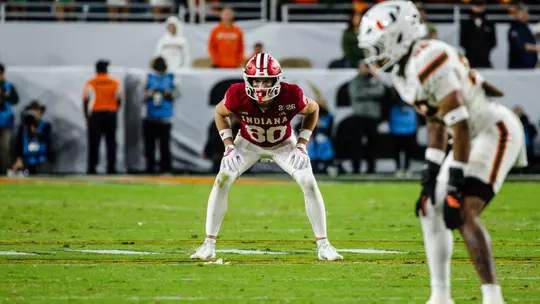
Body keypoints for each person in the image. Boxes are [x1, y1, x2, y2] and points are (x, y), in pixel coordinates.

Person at [358, 2, 528, 304]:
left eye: (380, 44)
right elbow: (437, 124)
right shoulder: (404, 73)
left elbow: (460, 125)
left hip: (492, 130)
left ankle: (493, 298)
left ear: (400, 36)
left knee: (463, 209)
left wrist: (453, 184)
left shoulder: (430, 58)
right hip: (464, 136)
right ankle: (440, 296)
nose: (375, 54)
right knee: (430, 208)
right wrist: (431, 176)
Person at [190, 53, 343, 261]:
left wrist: (302, 144)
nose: (261, 85)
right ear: (248, 80)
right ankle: (208, 244)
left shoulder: (291, 94)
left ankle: (324, 245)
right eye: (257, 80)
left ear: (277, 80)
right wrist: (228, 145)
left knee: (308, 181)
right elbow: (219, 113)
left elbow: (313, 109)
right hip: (248, 143)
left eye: (266, 80)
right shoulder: (237, 94)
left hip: (283, 144)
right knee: (222, 179)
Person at [83, 60, 123, 174]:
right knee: (111, 143)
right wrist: (114, 109)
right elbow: (119, 98)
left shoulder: (91, 82)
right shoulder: (114, 82)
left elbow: (85, 100)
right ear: (106, 70)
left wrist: (87, 116)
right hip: (110, 114)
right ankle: (111, 168)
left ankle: (92, 168)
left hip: (95, 115)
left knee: (94, 143)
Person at [143, 57, 179, 174]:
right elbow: (141, 95)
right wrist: (149, 94)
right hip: (152, 116)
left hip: (163, 117)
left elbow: (177, 95)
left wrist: (169, 94)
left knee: (163, 145)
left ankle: (164, 168)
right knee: (152, 145)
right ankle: (152, 167)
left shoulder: (171, 78)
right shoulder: (149, 77)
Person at [12, 100, 54, 175]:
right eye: (33, 110)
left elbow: (49, 146)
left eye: (37, 110)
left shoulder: (45, 126)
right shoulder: (23, 127)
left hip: (41, 160)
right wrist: (18, 159)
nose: (35, 113)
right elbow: (17, 145)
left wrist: (37, 132)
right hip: (26, 160)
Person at [460, 2, 496, 68]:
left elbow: (493, 42)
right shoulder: (465, 24)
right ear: (472, 7)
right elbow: (462, 42)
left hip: (485, 61)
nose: (479, 8)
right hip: (470, 61)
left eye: (481, 6)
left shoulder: (490, 24)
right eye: (477, 5)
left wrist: (484, 51)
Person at [0, 63, 20, 174]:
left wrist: (6, 95)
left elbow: (15, 100)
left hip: (5, 123)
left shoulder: (7, 86)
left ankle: (4, 172)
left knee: (5, 149)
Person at [508, 4, 539, 69]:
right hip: (518, 68)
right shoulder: (513, 29)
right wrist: (536, 48)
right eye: (523, 13)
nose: (526, 15)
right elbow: (520, 45)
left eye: (526, 13)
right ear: (516, 14)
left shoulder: (527, 29)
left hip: (530, 67)